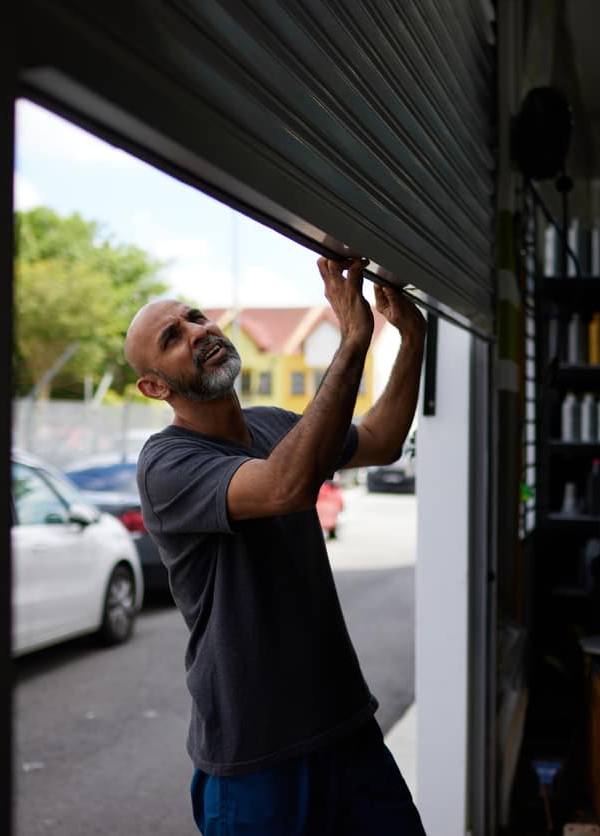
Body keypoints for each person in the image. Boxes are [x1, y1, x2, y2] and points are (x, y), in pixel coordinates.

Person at [124, 256, 428, 835]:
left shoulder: (273, 425)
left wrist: (411, 338)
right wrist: (353, 340)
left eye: (195, 318)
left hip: (347, 728)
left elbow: (384, 439)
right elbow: (285, 486)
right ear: (154, 386)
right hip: (257, 760)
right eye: (173, 337)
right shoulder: (166, 464)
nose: (198, 331)